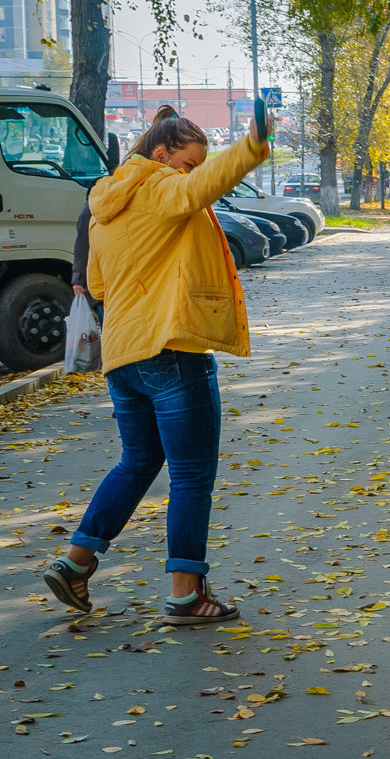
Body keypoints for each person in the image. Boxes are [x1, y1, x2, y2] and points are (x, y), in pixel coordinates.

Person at [42, 105, 269, 625]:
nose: (193, 173)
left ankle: (75, 563)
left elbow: (97, 287)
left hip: (124, 358)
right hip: (171, 349)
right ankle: (187, 596)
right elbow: (196, 189)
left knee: (138, 461)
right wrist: (251, 147)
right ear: (162, 155)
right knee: (191, 475)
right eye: (189, 162)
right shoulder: (161, 186)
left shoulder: (104, 208)